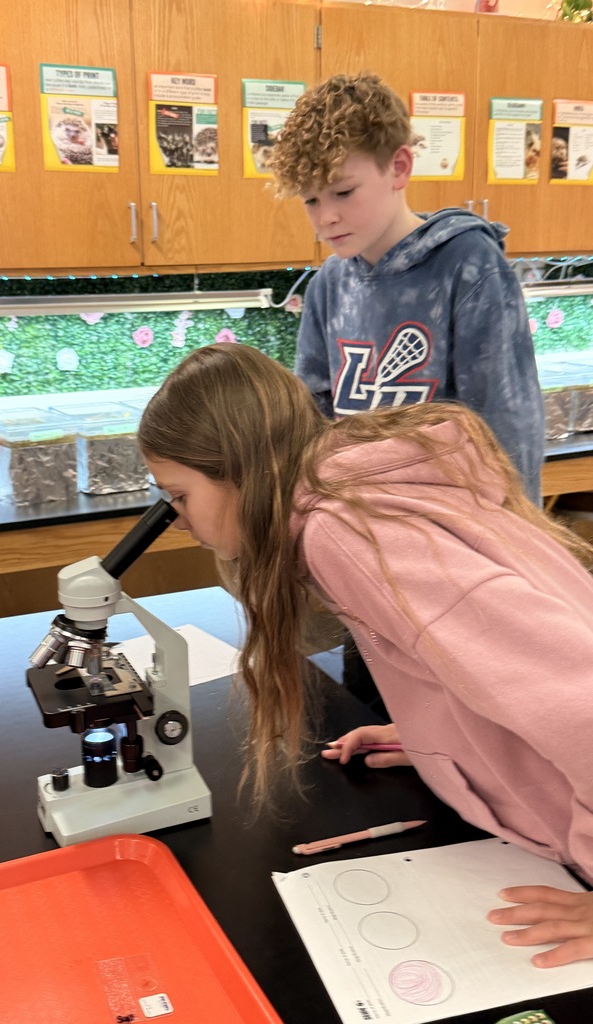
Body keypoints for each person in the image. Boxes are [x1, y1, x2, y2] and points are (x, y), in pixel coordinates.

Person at [137, 342, 593, 969]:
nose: (180, 520)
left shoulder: (342, 533)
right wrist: (447, 739)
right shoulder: (359, 490)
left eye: (181, 497)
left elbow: (581, 701)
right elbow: (496, 654)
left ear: (237, 472)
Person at [269, 72, 545, 505]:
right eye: (311, 200)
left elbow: (509, 431)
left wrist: (520, 545)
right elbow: (313, 428)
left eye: (343, 192)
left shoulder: (469, 266)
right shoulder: (328, 285)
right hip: (362, 530)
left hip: (458, 536)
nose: (326, 219)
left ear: (399, 167)